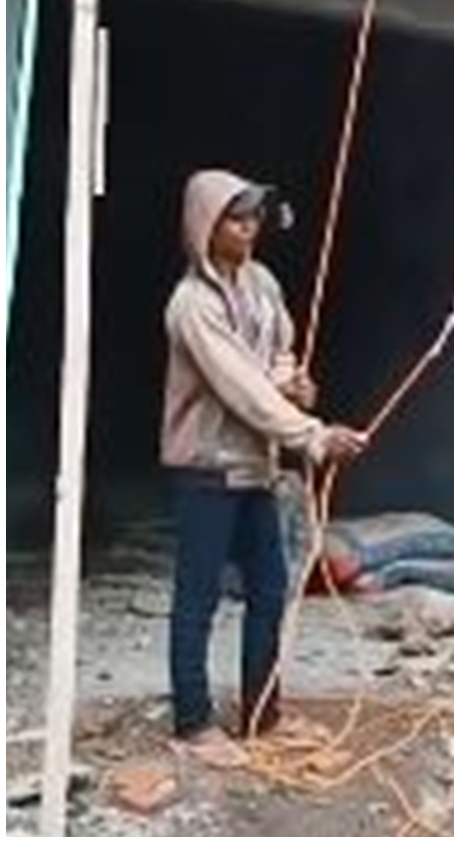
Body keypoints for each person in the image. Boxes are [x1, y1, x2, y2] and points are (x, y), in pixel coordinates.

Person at [161, 170, 370, 765]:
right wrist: (311, 434)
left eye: (254, 215)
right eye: (235, 217)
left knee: (271, 591)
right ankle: (193, 723)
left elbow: (274, 357)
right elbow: (240, 387)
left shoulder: (262, 283)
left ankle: (261, 715)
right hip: (207, 467)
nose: (249, 226)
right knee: (197, 599)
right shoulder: (192, 305)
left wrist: (294, 383)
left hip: (257, 466)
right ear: (206, 227)